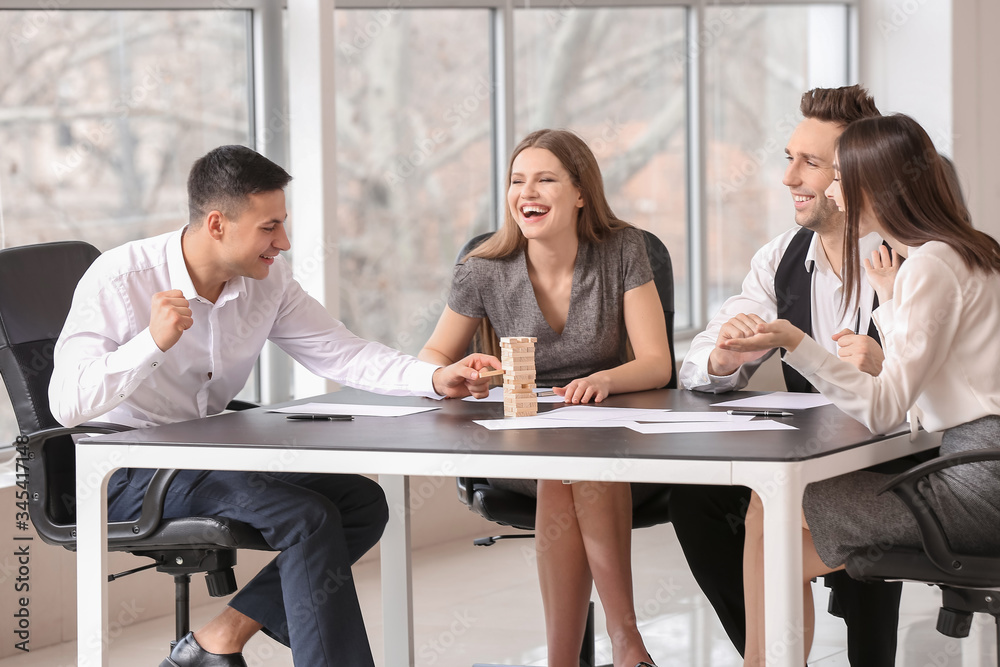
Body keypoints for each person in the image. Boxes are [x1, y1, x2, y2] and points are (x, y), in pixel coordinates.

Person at [48, 145, 501, 667]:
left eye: (282, 225)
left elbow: (343, 352)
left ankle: (218, 639)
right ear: (217, 223)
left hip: (205, 457)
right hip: (124, 472)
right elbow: (66, 405)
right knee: (305, 517)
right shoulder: (120, 279)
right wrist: (151, 342)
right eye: (269, 228)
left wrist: (437, 377)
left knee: (361, 503)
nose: (282, 243)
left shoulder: (269, 283)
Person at [722, 113, 1000, 666]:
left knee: (775, 507)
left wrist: (800, 344)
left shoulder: (930, 265)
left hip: (975, 487)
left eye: (843, 176)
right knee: (774, 529)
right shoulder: (969, 251)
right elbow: (936, 375)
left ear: (876, 186)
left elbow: (884, 407)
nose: (832, 186)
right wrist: (891, 301)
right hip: (981, 469)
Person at [419, 129, 673, 667]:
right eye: (516, 180)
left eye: (545, 179)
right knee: (562, 463)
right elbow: (433, 358)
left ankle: (573, 658)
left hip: (613, 435)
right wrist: (460, 372)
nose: (526, 192)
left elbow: (656, 362)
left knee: (572, 464)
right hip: (520, 437)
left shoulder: (623, 249)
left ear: (581, 192)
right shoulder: (483, 268)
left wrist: (606, 379)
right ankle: (629, 645)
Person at [676, 85, 907, 665]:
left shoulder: (910, 255)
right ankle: (761, 649)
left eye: (810, 163)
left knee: (769, 502)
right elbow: (699, 362)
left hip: (902, 456)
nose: (789, 179)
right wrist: (725, 358)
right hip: (815, 453)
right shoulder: (780, 256)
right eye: (789, 159)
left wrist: (889, 365)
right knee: (697, 499)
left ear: (852, 176)